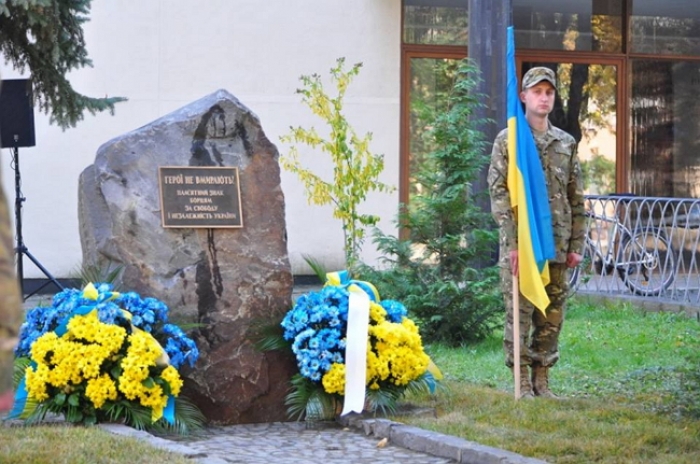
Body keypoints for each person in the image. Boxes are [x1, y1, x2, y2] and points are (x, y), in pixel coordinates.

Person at [487, 67, 585, 399]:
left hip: (556, 245)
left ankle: (542, 379)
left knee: (552, 315)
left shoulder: (566, 142)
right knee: (521, 313)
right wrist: (513, 244)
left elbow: (576, 197)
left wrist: (576, 244)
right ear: (524, 97)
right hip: (523, 247)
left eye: (549, 92)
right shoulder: (510, 140)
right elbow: (499, 194)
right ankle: (522, 382)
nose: (544, 98)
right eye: (537, 91)